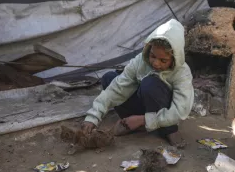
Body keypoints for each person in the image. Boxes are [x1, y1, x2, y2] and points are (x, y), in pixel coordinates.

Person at [81, 19, 194, 147]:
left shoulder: (182, 72)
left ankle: (168, 130)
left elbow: (180, 111)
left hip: (164, 111)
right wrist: (92, 117)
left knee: (150, 84)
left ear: (174, 59)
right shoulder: (140, 61)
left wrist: (144, 119)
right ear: (149, 49)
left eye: (163, 60)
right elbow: (117, 88)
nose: (156, 63)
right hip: (143, 104)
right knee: (109, 78)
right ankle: (133, 123)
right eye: (153, 56)